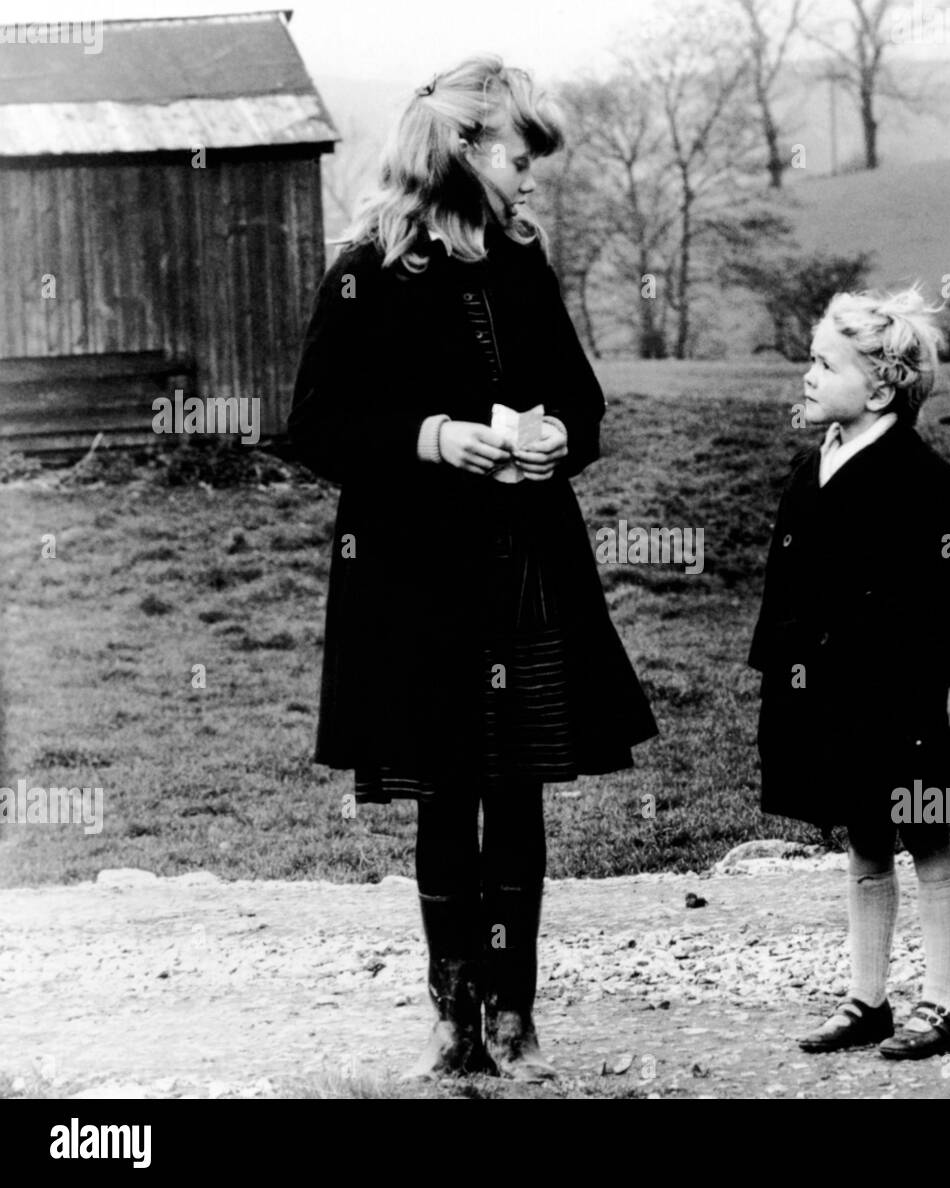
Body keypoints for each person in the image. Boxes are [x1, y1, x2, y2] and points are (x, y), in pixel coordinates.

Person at [288, 55, 657, 1083]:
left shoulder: (522, 261)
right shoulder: (366, 267)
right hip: (415, 579)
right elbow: (316, 425)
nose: (533, 170)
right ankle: (455, 1023)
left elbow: (584, 407)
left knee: (518, 793)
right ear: (461, 146)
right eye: (520, 149)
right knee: (448, 796)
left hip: (522, 568)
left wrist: (553, 440)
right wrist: (435, 438)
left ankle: (514, 1017)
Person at [748, 286, 950, 1061]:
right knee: (864, 839)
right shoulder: (807, 468)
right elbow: (784, 581)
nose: (808, 376)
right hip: (830, 696)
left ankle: (946, 1005)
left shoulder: (925, 481)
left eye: (825, 364)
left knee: (927, 838)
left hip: (904, 697)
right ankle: (869, 999)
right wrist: (777, 665)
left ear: (881, 387)